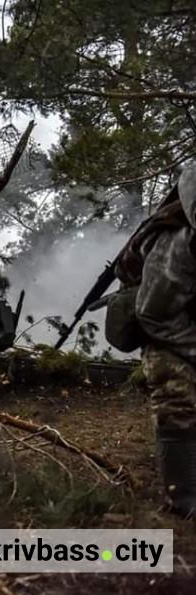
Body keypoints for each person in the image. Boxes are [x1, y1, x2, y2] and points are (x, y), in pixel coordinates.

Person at [134, 165, 196, 517]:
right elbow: (153, 313)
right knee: (177, 396)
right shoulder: (181, 242)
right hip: (166, 324)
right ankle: (183, 498)